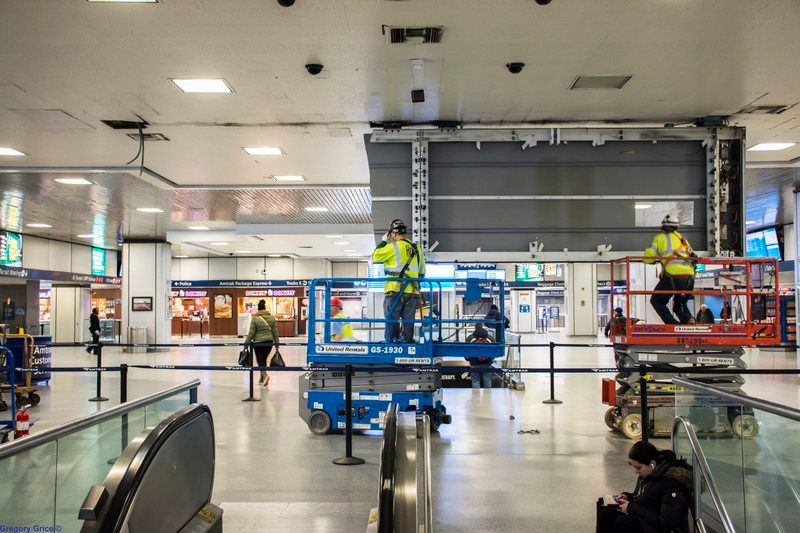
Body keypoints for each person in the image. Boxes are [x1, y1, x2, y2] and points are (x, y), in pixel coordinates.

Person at [596, 441, 692, 533]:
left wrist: (631, 507)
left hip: (666, 529)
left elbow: (666, 522)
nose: (636, 471)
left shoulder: (672, 484)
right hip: (650, 521)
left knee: (624, 522)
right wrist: (628, 497)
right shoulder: (648, 475)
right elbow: (643, 497)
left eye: (638, 467)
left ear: (652, 464)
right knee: (606, 514)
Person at [371, 219, 426, 343]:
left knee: (392, 318)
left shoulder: (392, 247)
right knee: (409, 320)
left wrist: (384, 241)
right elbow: (422, 272)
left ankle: (392, 342)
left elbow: (374, 257)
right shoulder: (417, 248)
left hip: (394, 290)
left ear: (392, 234)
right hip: (412, 291)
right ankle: (408, 342)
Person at [644, 215, 697, 325]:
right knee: (680, 303)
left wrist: (650, 260)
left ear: (663, 226)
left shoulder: (660, 238)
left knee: (657, 301)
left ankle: (673, 324)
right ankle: (688, 319)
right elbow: (694, 256)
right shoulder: (682, 239)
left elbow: (649, 257)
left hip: (673, 277)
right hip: (689, 278)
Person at [245, 299, 280, 387]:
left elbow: (251, 333)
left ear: (258, 309)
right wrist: (277, 344)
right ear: (265, 308)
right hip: (269, 342)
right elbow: (275, 332)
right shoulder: (271, 317)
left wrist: (246, 344)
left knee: (260, 360)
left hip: (258, 343)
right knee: (263, 359)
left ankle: (265, 375)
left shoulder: (255, 318)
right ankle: (261, 378)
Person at [465, 323, 494, 388]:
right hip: (487, 362)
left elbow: (466, 350)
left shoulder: (470, 338)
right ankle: (487, 396)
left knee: (475, 380)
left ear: (475, 328)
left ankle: (476, 396)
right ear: (482, 327)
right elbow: (494, 350)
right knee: (487, 380)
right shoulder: (489, 338)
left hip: (474, 363)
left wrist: (468, 359)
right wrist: (491, 359)